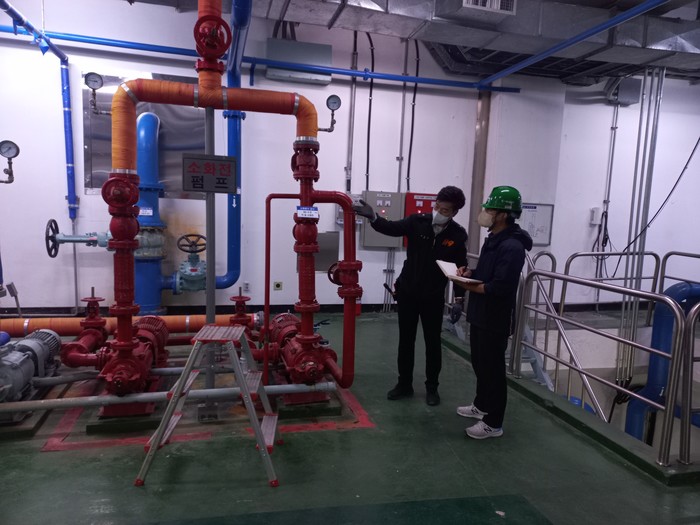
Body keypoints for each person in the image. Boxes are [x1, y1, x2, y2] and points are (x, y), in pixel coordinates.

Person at [352, 186, 468, 406]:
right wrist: (373, 216)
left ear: (454, 212)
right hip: (408, 293)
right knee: (406, 340)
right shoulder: (417, 222)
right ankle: (404, 384)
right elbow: (391, 228)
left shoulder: (458, 235)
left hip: (433, 297)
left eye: (444, 210)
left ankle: (432, 388)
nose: (438, 212)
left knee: (433, 343)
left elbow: (460, 268)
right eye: (437, 206)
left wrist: (459, 299)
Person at [454, 186, 532, 439]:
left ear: (503, 215)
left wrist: (468, 285)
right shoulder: (494, 239)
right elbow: (487, 274)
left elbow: (500, 286)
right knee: (480, 363)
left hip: (495, 318)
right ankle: (481, 405)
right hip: (480, 314)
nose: (485, 212)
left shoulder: (512, 246)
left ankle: (493, 423)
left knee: (494, 371)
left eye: (490, 209)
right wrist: (470, 274)